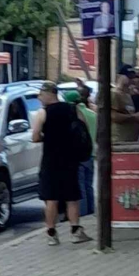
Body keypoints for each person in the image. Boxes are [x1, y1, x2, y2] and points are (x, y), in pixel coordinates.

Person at [31, 82, 90, 245]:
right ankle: (76, 231)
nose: (39, 98)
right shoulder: (73, 109)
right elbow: (83, 129)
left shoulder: (43, 113)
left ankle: (51, 234)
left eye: (40, 95)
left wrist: (47, 137)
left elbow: (35, 136)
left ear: (48, 94)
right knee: (72, 197)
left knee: (51, 198)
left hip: (51, 160)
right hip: (70, 159)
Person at [62, 82, 96, 218]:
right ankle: (90, 211)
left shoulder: (73, 116)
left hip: (78, 155)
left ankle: (82, 214)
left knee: (79, 186)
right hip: (91, 153)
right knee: (88, 185)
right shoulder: (93, 114)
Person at [111, 67, 139, 145]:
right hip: (119, 139)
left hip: (131, 139)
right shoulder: (114, 93)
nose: (132, 80)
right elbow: (113, 116)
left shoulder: (128, 94)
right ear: (120, 76)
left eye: (133, 77)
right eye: (129, 76)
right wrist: (135, 117)